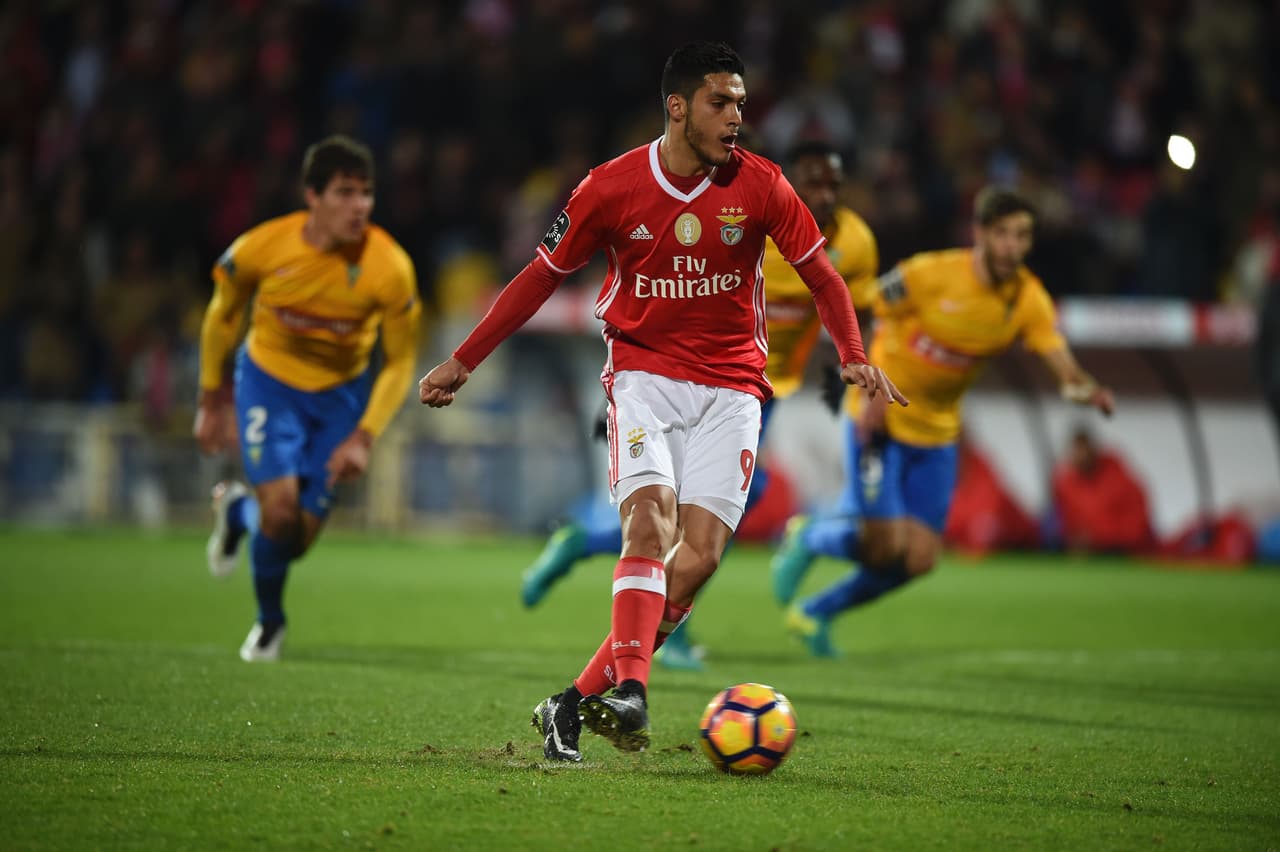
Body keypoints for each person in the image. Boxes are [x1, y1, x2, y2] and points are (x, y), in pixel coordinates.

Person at [418, 42, 905, 762]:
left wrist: (855, 357)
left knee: (700, 557)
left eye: (741, 101)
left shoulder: (764, 186)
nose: (737, 116)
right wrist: (463, 360)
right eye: (721, 102)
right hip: (644, 376)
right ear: (678, 108)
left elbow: (826, 280)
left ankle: (570, 705)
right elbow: (538, 277)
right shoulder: (610, 189)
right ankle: (634, 695)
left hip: (735, 388)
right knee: (649, 521)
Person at [518, 138, 881, 671]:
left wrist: (852, 357)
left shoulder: (854, 242)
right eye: (813, 183)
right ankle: (663, 623)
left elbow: (854, 303)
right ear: (791, 185)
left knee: (722, 513)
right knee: (689, 517)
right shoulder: (748, 221)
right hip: (685, 381)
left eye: (833, 184)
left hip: (757, 388)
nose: (824, 195)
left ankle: (588, 546)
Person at [773, 185, 1114, 657]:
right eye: (1003, 235)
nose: (1012, 247)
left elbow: (1056, 354)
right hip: (881, 420)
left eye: (1022, 236)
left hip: (937, 435)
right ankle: (811, 535)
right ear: (980, 234)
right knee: (882, 547)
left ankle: (815, 612)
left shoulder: (1027, 299)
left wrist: (1082, 386)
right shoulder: (928, 274)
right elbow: (868, 309)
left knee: (917, 560)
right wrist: (870, 383)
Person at [194, 135, 421, 662]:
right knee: (279, 515)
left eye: (366, 193)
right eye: (344, 192)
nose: (359, 205)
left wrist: (364, 436)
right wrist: (211, 398)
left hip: (340, 400)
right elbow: (222, 314)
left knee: (294, 539)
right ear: (312, 196)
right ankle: (269, 624)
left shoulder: (390, 267)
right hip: (269, 386)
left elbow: (400, 362)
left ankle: (236, 514)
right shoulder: (262, 248)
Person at [1050, 426, 1153, 554]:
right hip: (1089, 555)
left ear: (1095, 450)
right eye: (1076, 450)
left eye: (1084, 449)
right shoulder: (1064, 483)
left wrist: (1097, 538)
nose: (1081, 456)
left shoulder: (1121, 481)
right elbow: (1064, 525)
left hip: (1128, 554)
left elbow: (1135, 530)